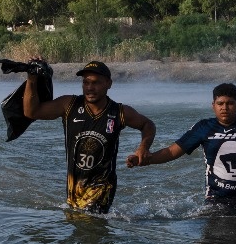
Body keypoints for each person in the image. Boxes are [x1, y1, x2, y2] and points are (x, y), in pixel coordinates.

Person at [133, 82, 236, 215]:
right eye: (220, 104)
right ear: (213, 106)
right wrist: (146, 159)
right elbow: (172, 151)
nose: (225, 107)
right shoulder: (203, 128)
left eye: (230, 103)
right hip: (217, 200)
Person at [23, 60, 156, 214]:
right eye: (86, 82)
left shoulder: (120, 112)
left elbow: (148, 125)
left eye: (96, 83)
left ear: (109, 83)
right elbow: (31, 112)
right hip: (75, 186)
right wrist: (31, 78)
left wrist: (143, 148)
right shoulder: (69, 105)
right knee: (77, 226)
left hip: (103, 187)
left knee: (90, 226)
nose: (90, 88)